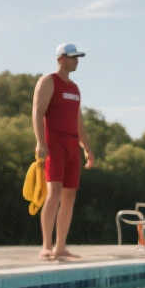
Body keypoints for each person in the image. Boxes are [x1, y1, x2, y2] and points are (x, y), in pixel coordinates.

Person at [33, 43, 94, 260]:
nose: (77, 61)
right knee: (54, 193)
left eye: (78, 57)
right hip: (54, 143)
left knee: (70, 196)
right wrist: (40, 142)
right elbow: (38, 112)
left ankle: (60, 246)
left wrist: (87, 148)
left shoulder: (75, 88)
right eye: (73, 57)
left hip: (71, 146)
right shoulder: (48, 81)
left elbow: (78, 121)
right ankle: (46, 246)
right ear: (61, 59)